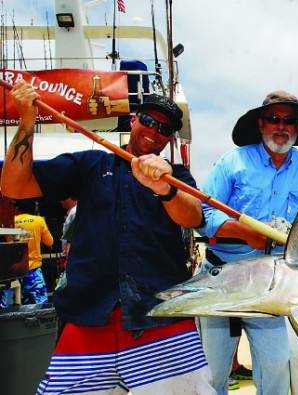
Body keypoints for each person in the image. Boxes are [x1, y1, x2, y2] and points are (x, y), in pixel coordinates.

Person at [1, 80, 216, 395]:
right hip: (88, 315)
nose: (154, 131)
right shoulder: (89, 164)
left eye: (164, 128)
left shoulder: (176, 174)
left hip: (160, 316)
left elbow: (193, 216)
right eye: (148, 121)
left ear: (169, 138)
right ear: (133, 120)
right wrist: (26, 120)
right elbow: (14, 188)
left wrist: (164, 187)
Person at [199, 90, 298, 394]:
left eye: (289, 121)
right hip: (223, 283)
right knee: (213, 375)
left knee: (276, 372)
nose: (280, 126)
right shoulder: (233, 162)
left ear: (297, 128)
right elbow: (203, 213)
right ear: (260, 124)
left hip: (273, 285)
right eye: (273, 119)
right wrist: (245, 233)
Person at [0, 198, 54, 307]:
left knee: (7, 313)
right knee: (38, 310)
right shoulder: (38, 220)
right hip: (33, 272)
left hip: (13, 273)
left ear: (16, 207)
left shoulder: (9, 222)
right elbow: (49, 242)